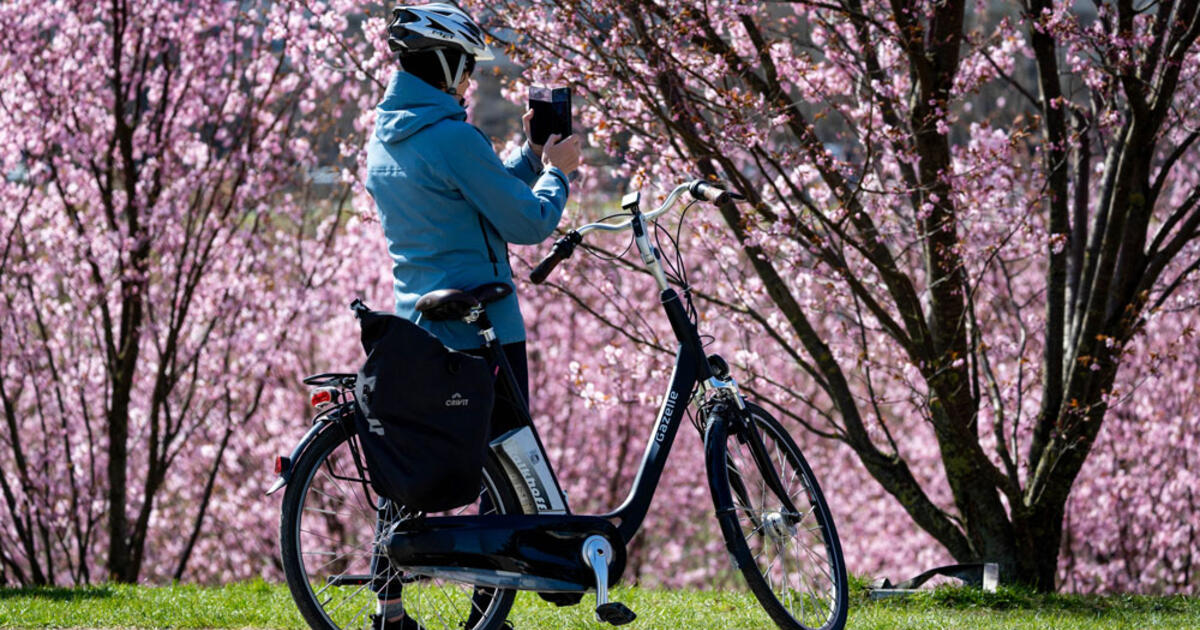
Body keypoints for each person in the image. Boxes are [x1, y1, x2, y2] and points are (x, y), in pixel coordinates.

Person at [363, 4, 581, 629]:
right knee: (506, 471)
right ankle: (491, 614)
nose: (468, 79)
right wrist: (557, 176)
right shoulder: (454, 137)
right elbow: (527, 222)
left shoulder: (387, 136)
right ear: (441, 61)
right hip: (485, 330)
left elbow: (470, 193)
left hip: (420, 329)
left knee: (412, 460)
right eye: (463, 65)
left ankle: (389, 608)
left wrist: (528, 156)